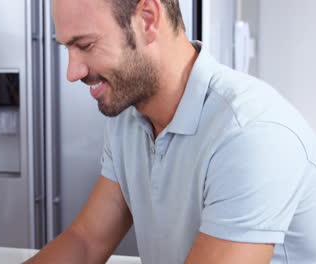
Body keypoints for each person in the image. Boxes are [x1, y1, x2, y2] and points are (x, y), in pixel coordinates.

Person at [25, 0, 316, 263]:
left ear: (147, 19)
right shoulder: (128, 118)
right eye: (67, 48)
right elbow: (86, 241)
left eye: (85, 45)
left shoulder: (251, 133)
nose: (72, 72)